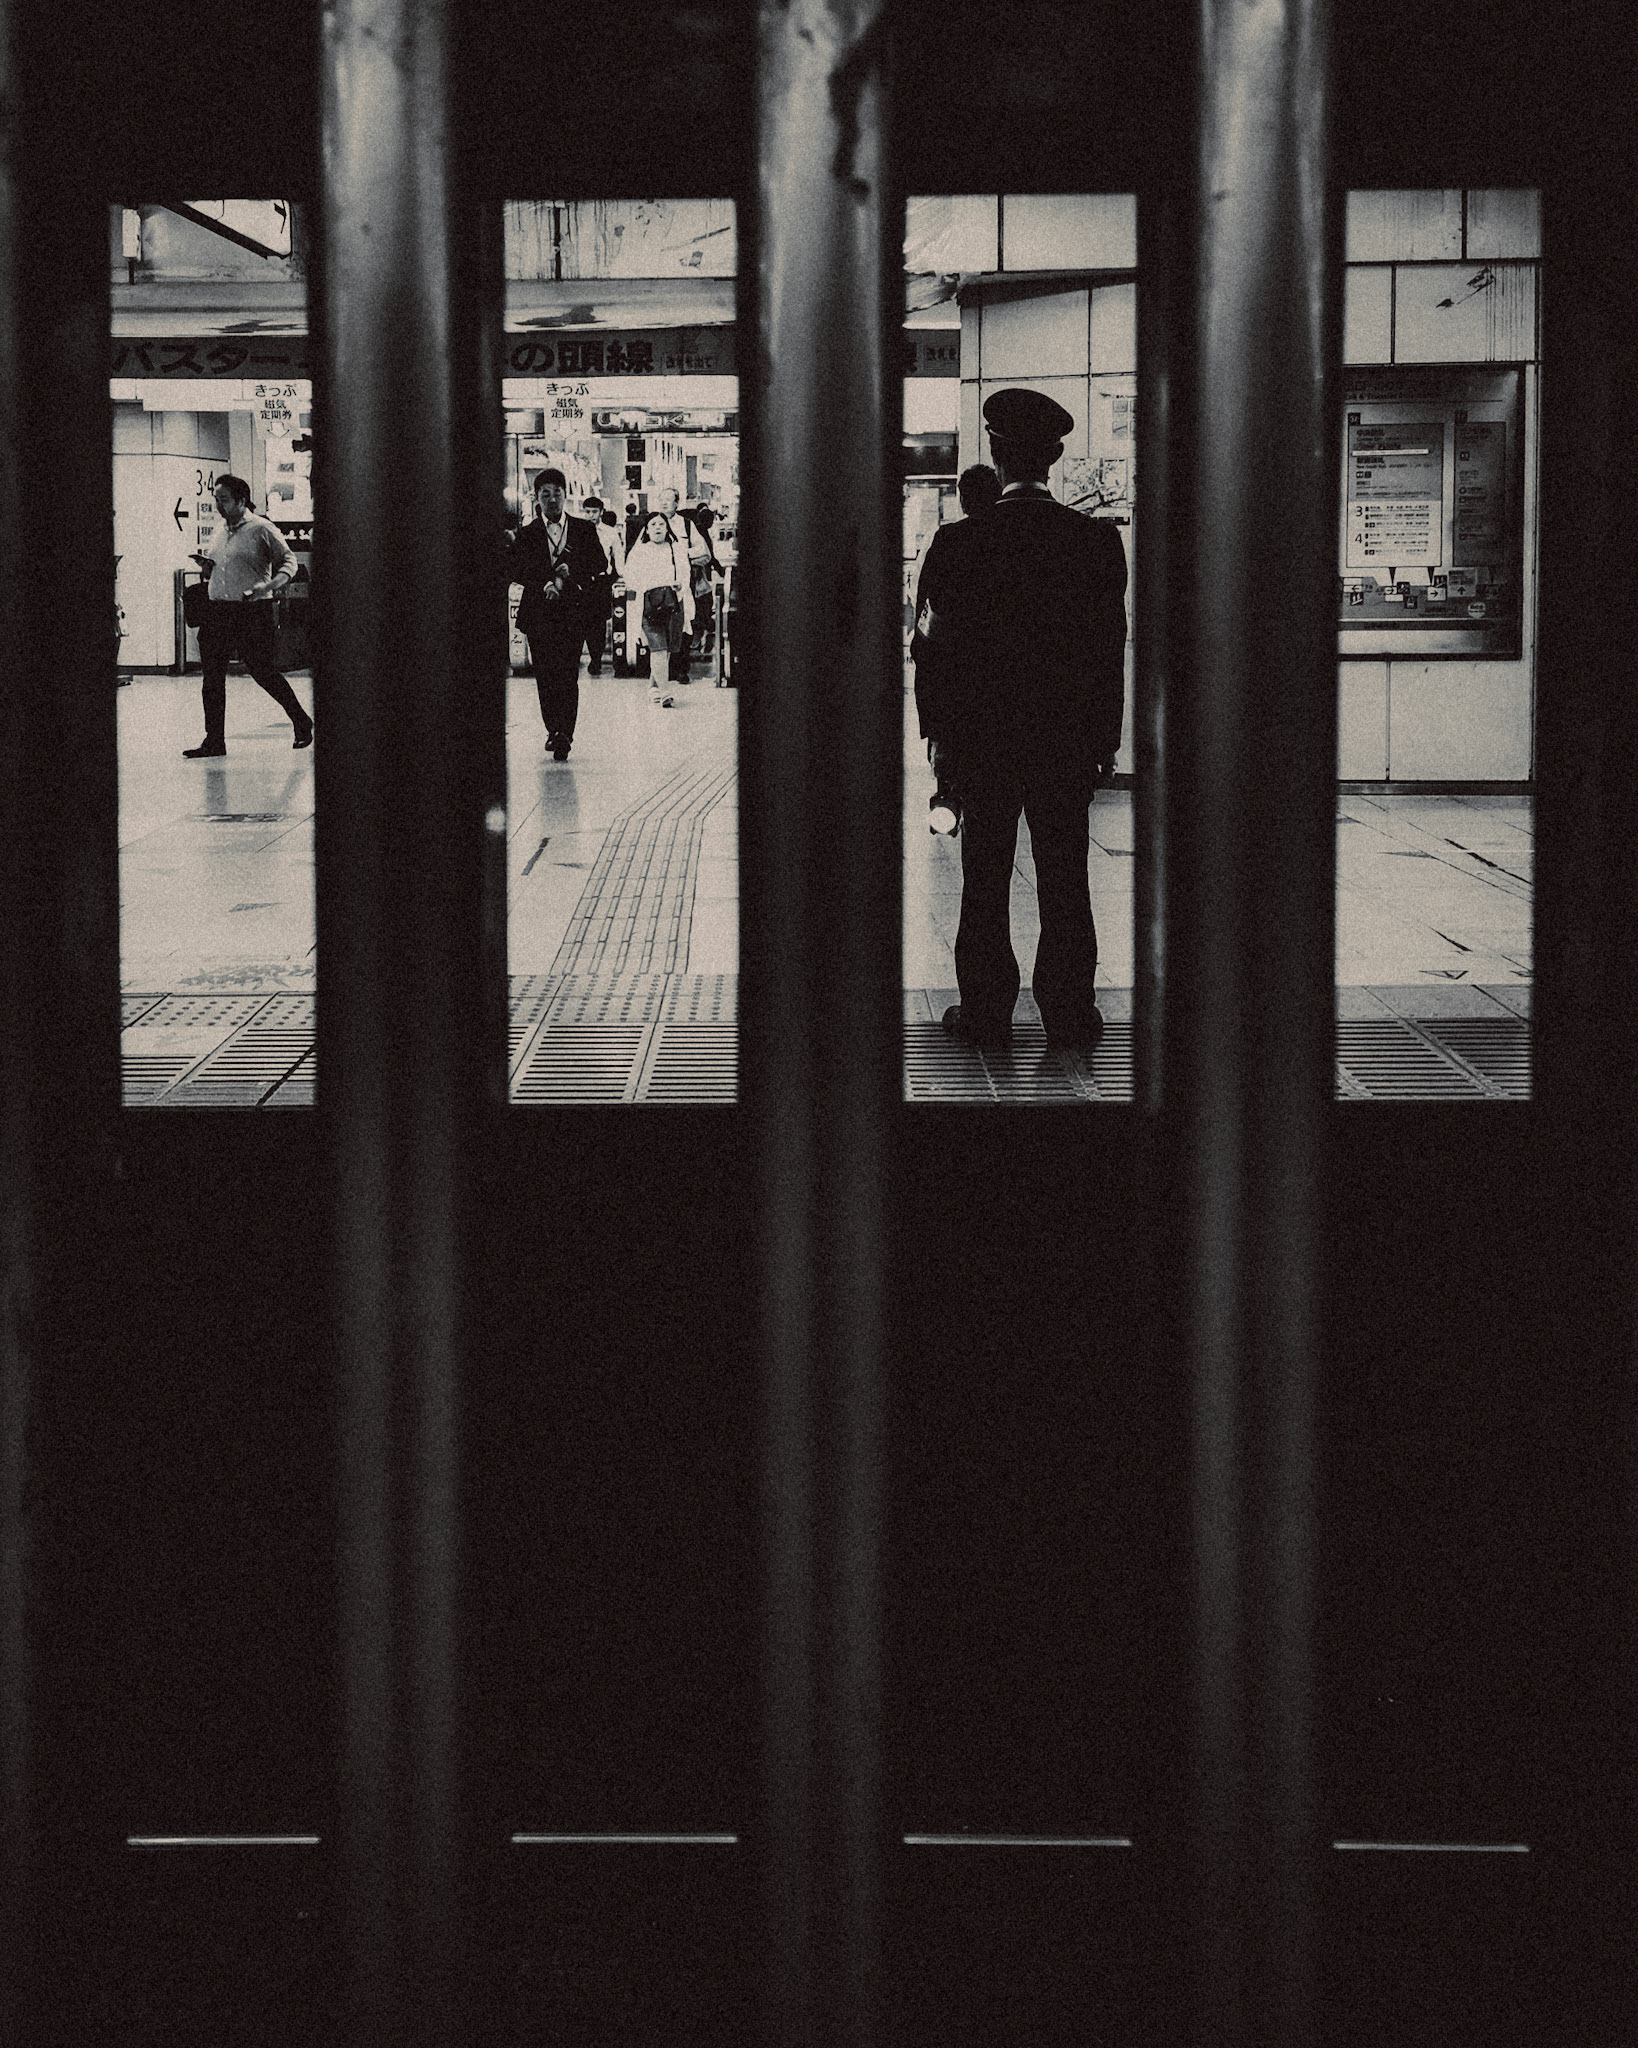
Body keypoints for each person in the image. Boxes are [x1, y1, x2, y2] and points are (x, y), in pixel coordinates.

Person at [922, 389, 1127, 1058]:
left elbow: (934, 652)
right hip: (1066, 741)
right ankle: (1068, 1008)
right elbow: (1108, 650)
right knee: (1065, 874)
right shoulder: (1096, 542)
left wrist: (940, 741)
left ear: (996, 453)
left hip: (983, 742)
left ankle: (986, 1009)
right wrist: (1104, 742)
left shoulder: (957, 542)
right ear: (1058, 457)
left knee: (984, 877)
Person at [183, 474, 311, 757]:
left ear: (242, 501)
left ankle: (301, 720)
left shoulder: (262, 528)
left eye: (224, 500)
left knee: (263, 672)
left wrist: (270, 585)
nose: (218, 505)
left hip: (251, 611)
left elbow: (289, 562)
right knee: (212, 679)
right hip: (217, 611)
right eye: (216, 500)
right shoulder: (218, 530)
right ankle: (214, 740)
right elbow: (221, 567)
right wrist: (207, 567)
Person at [911, 464, 1002, 829]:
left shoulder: (949, 540)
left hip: (957, 687)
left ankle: (948, 799)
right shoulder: (1013, 537)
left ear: (964, 499)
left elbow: (927, 612)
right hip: (1004, 688)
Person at [507, 467, 608, 760]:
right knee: (545, 675)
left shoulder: (584, 529)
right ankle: (553, 728)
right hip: (539, 612)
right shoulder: (527, 535)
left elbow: (599, 562)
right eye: (545, 494)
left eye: (557, 494)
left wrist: (571, 572)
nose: (552, 500)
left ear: (566, 495)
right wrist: (544, 583)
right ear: (536, 497)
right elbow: (516, 568)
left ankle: (565, 732)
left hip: (574, 612)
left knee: (567, 673)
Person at [623, 510, 694, 708]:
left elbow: (685, 571)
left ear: (667, 528)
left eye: (661, 524)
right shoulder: (640, 551)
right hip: (649, 606)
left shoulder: (676, 548)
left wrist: (681, 584)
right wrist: (644, 586)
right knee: (658, 648)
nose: (657, 528)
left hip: (673, 603)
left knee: (668, 648)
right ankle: (665, 692)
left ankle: (653, 686)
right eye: (653, 525)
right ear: (646, 529)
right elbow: (629, 576)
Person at [650, 487, 710, 682]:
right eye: (662, 499)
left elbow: (704, 551)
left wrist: (683, 554)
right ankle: (660, 671)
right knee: (659, 627)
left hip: (682, 584)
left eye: (669, 499)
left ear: (677, 503)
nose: (665, 502)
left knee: (683, 625)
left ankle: (682, 669)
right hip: (657, 583)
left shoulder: (686, 525)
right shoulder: (652, 523)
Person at [578, 496, 623, 676]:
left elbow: (618, 556)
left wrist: (622, 576)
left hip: (601, 582)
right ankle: (577, 657)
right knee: (579, 621)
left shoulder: (610, 533)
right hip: (581, 582)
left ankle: (595, 659)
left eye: (594, 512)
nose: (590, 515)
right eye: (587, 512)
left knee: (598, 623)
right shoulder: (576, 531)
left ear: (601, 512)